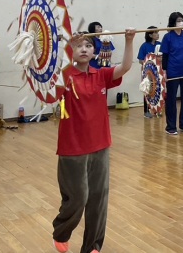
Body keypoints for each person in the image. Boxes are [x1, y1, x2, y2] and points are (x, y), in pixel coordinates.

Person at [52, 28, 135, 253]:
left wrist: (129, 40)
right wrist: (62, 44)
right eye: (79, 45)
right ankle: (61, 231)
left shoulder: (101, 75)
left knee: (98, 199)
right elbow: (50, 78)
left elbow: (125, 67)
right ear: (71, 50)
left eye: (88, 45)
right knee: (78, 198)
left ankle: (92, 246)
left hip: (100, 146)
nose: (84, 49)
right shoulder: (64, 76)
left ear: (94, 51)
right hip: (72, 148)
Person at [160, 13, 183, 135]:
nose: (181, 22)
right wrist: (164, 72)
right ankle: (170, 127)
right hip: (173, 71)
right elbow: (165, 56)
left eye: (182, 20)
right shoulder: (168, 37)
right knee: (171, 99)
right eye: (178, 20)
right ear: (173, 22)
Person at [137, 26, 160, 119]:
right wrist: (149, 63)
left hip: (158, 72)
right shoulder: (144, 46)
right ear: (150, 35)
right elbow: (140, 60)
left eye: (158, 32)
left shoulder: (160, 44)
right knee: (147, 90)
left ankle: (157, 109)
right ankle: (146, 111)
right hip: (148, 73)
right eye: (155, 32)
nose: (158, 34)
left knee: (158, 90)